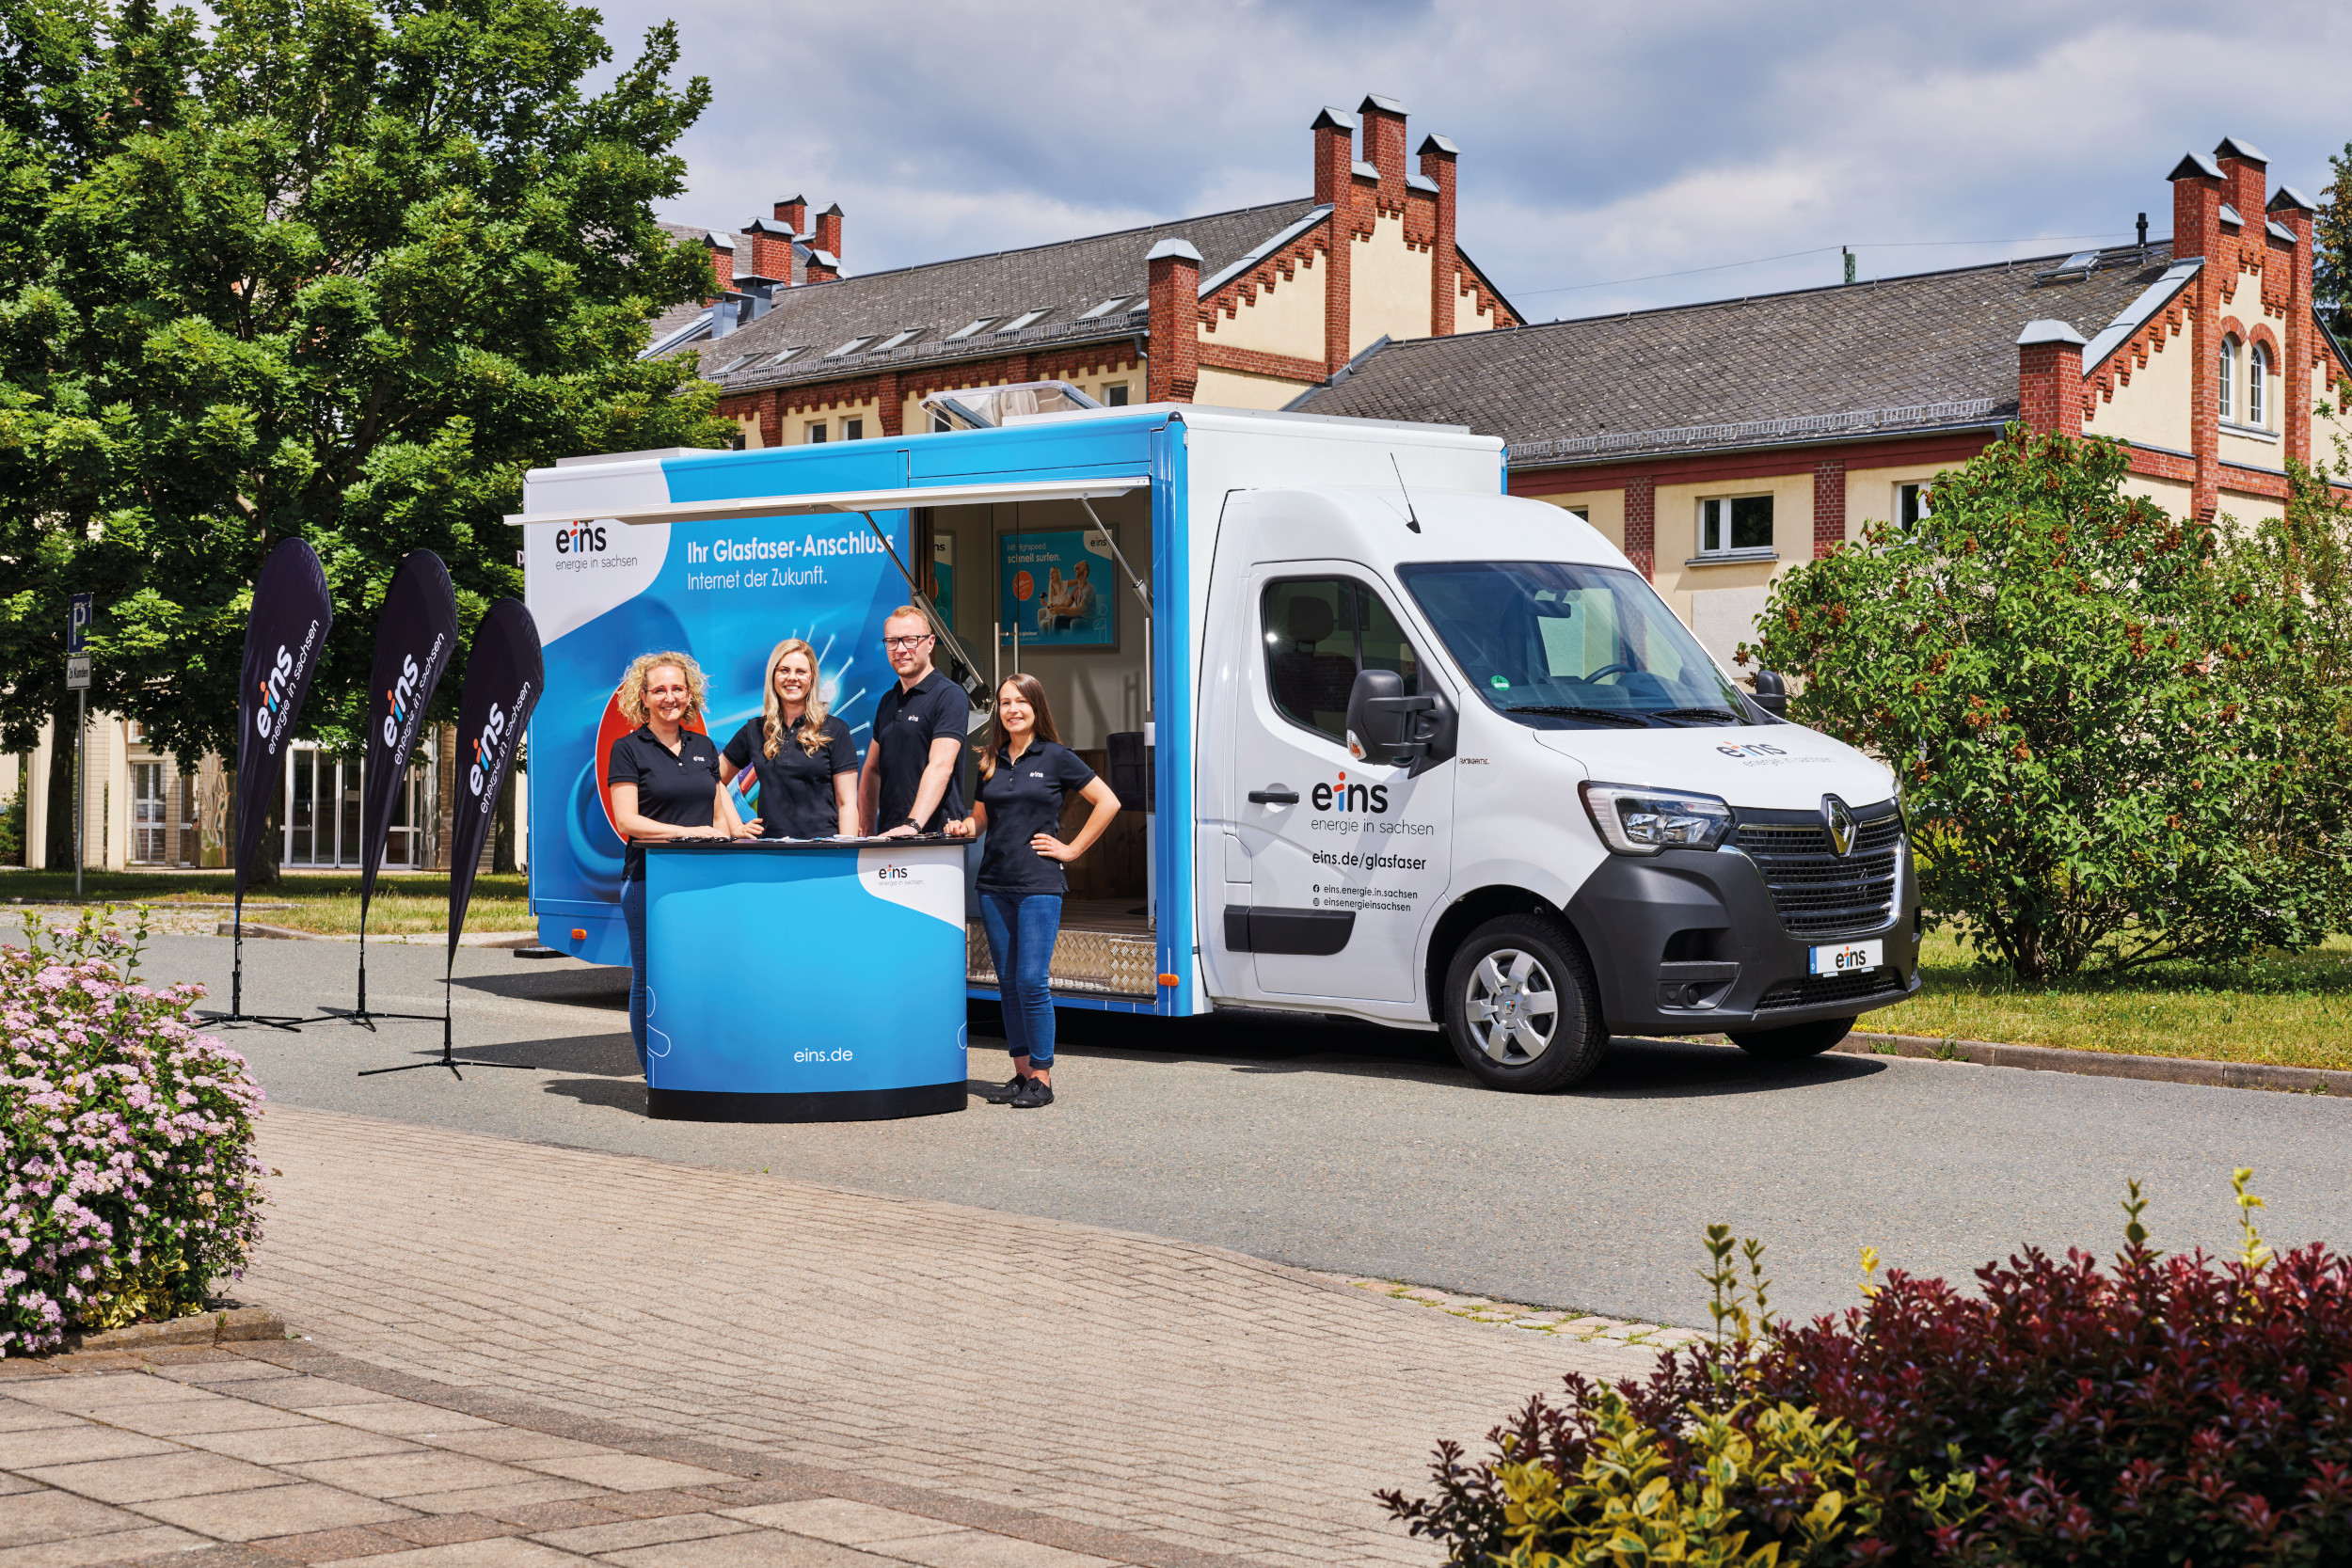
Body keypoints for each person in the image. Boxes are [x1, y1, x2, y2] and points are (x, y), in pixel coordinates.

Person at [949, 673, 1120, 1109]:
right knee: (1006, 982)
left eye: (1020, 702)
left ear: (1036, 707)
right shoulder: (990, 760)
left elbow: (1109, 802)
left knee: (1031, 979)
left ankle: (1042, 1077)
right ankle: (1022, 1071)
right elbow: (981, 817)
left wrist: (1073, 849)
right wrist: (964, 827)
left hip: (1039, 885)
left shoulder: (1056, 756)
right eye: (1004, 703)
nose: (1012, 710)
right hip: (993, 884)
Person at [608, 651, 754, 1071]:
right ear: (644, 697)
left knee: (700, 975)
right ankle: (653, 1068)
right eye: (659, 690)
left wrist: (735, 830)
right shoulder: (629, 749)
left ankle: (695, 1064)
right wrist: (691, 834)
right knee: (651, 977)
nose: (669, 697)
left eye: (677, 688)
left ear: (690, 694)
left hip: (701, 880)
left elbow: (718, 802)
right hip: (648, 880)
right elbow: (629, 822)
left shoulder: (704, 747)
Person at [719, 638, 858, 839]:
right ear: (773, 676)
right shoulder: (755, 730)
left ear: (811, 677)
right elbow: (715, 777)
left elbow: (847, 804)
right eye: (784, 670)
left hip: (823, 851)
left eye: (801, 671)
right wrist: (734, 826)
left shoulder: (836, 730)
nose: (792, 678)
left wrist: (847, 851)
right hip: (771, 851)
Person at [859, 606, 968, 838]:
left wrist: (913, 825)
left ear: (930, 643)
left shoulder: (950, 695)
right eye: (892, 641)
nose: (900, 649)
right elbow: (872, 769)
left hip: (935, 839)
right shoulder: (888, 700)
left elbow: (941, 765)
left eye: (910, 640)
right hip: (889, 836)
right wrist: (866, 827)